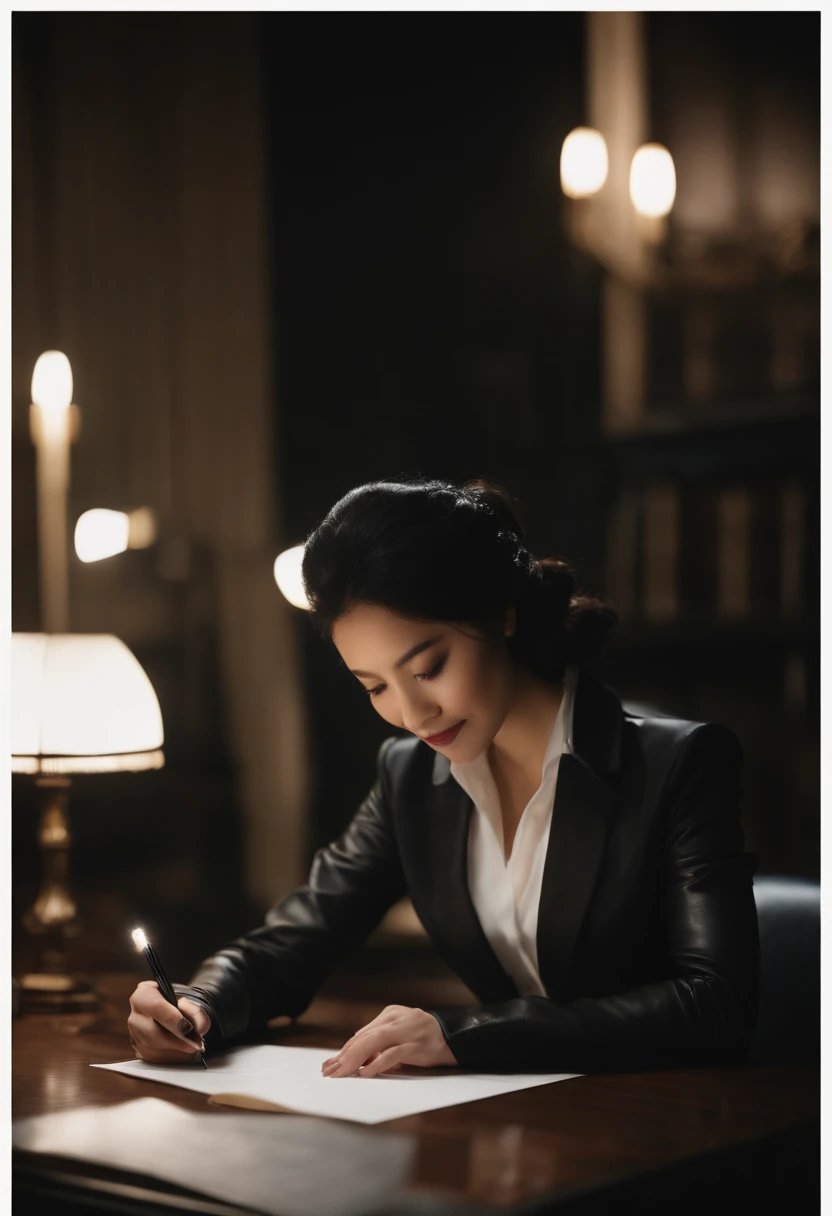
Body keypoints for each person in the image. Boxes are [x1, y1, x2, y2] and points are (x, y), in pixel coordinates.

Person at [127, 475, 760, 1076]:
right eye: (374, 686)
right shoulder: (409, 778)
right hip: (522, 1129)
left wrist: (468, 1033)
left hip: (670, 1127)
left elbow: (715, 1003)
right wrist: (200, 1003)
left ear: (501, 614)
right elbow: (295, 941)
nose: (410, 714)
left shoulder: (678, 764)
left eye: (428, 668)